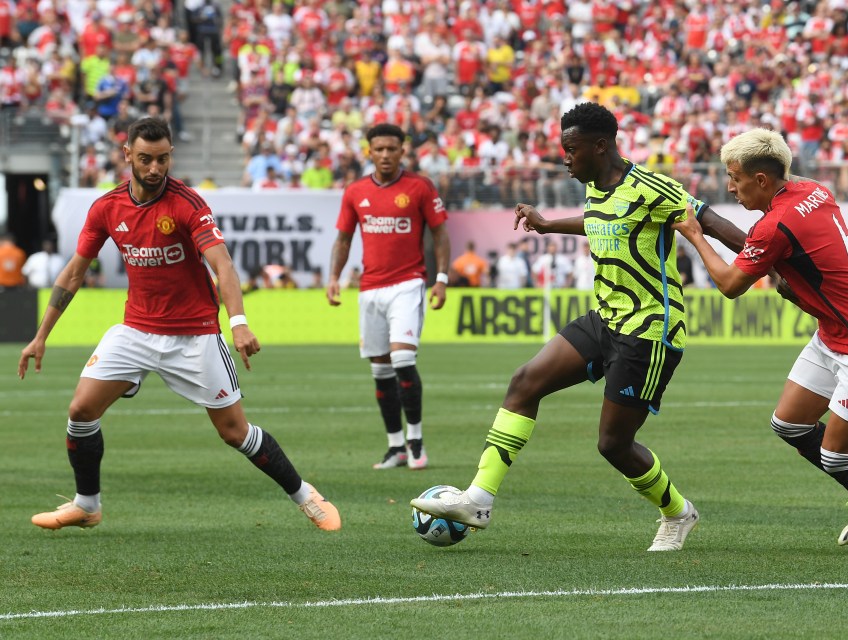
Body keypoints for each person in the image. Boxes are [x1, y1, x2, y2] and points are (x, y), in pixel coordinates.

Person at [412, 102, 746, 551]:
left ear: (600, 146)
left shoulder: (653, 187)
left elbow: (713, 223)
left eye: (571, 149)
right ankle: (479, 499)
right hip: (604, 318)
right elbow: (598, 222)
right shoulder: (595, 184)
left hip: (648, 331)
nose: (565, 158)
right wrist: (548, 226)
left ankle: (678, 512)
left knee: (613, 444)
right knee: (525, 382)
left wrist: (769, 264)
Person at [18, 118, 340, 532]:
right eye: (146, 159)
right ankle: (87, 504)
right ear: (127, 156)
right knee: (81, 411)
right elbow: (75, 273)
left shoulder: (187, 204)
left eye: (163, 158)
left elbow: (222, 265)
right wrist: (41, 336)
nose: (155, 168)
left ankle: (306, 496)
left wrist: (238, 322)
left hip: (195, 336)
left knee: (234, 432)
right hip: (135, 331)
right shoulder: (106, 208)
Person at [672, 128, 848, 556]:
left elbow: (733, 284)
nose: (730, 186)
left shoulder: (777, 223)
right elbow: (775, 249)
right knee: (789, 424)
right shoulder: (811, 191)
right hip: (832, 333)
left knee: (838, 459)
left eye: (734, 177)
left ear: (761, 180)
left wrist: (697, 235)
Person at [327, 123, 451, 471]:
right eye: (378, 149)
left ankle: (415, 439)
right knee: (380, 370)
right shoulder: (355, 192)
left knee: (401, 361)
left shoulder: (419, 187)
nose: (385, 155)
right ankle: (395, 445)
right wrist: (334, 278)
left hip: (408, 284)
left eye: (391, 149)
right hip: (370, 289)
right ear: (369, 151)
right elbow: (343, 240)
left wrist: (441, 278)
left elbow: (440, 234)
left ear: (402, 151)